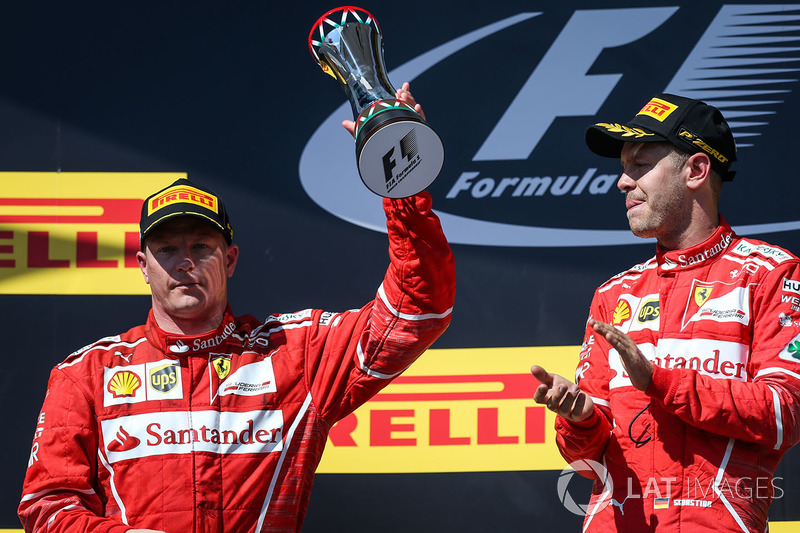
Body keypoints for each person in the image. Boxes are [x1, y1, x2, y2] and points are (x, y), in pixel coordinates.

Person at [18, 85, 455, 533]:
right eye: (167, 248)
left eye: (201, 246)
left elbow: (416, 310)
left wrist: (403, 184)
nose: (184, 261)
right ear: (143, 267)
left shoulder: (296, 355)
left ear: (230, 260)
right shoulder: (87, 374)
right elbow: (47, 506)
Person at [531, 93, 800, 531]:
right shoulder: (614, 294)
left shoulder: (770, 274)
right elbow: (585, 463)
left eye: (640, 165)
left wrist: (659, 380)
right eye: (623, 167)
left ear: (696, 170)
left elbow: (785, 413)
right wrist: (578, 417)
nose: (622, 182)